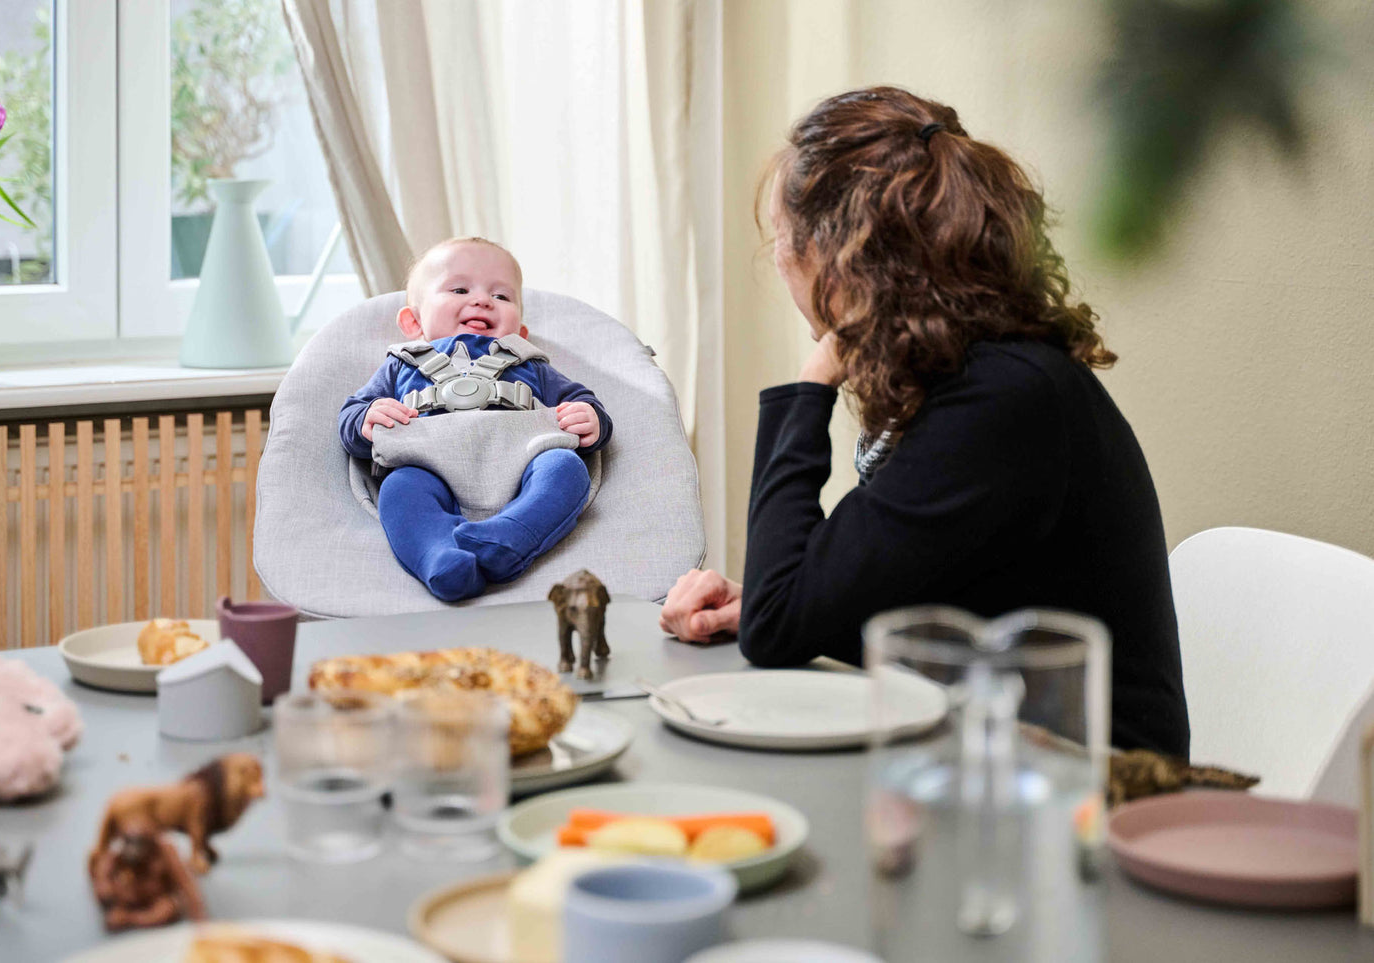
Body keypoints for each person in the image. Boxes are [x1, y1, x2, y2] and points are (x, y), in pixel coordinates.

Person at [659, 87, 1189, 756]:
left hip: (1088, 796)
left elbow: (776, 627)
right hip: (999, 750)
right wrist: (780, 598)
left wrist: (812, 381)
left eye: (781, 241)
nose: (780, 264)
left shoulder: (1000, 399)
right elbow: (922, 603)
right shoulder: (982, 375)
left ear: (833, 253)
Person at [340, 237, 612, 601]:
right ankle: (440, 557)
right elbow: (352, 416)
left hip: (522, 463)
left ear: (521, 333)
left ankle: (511, 537)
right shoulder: (401, 364)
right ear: (413, 321)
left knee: (565, 468)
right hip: (430, 468)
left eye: (501, 296)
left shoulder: (528, 362)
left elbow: (581, 399)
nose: (482, 300)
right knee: (399, 489)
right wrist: (365, 419)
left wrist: (590, 418)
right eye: (459, 289)